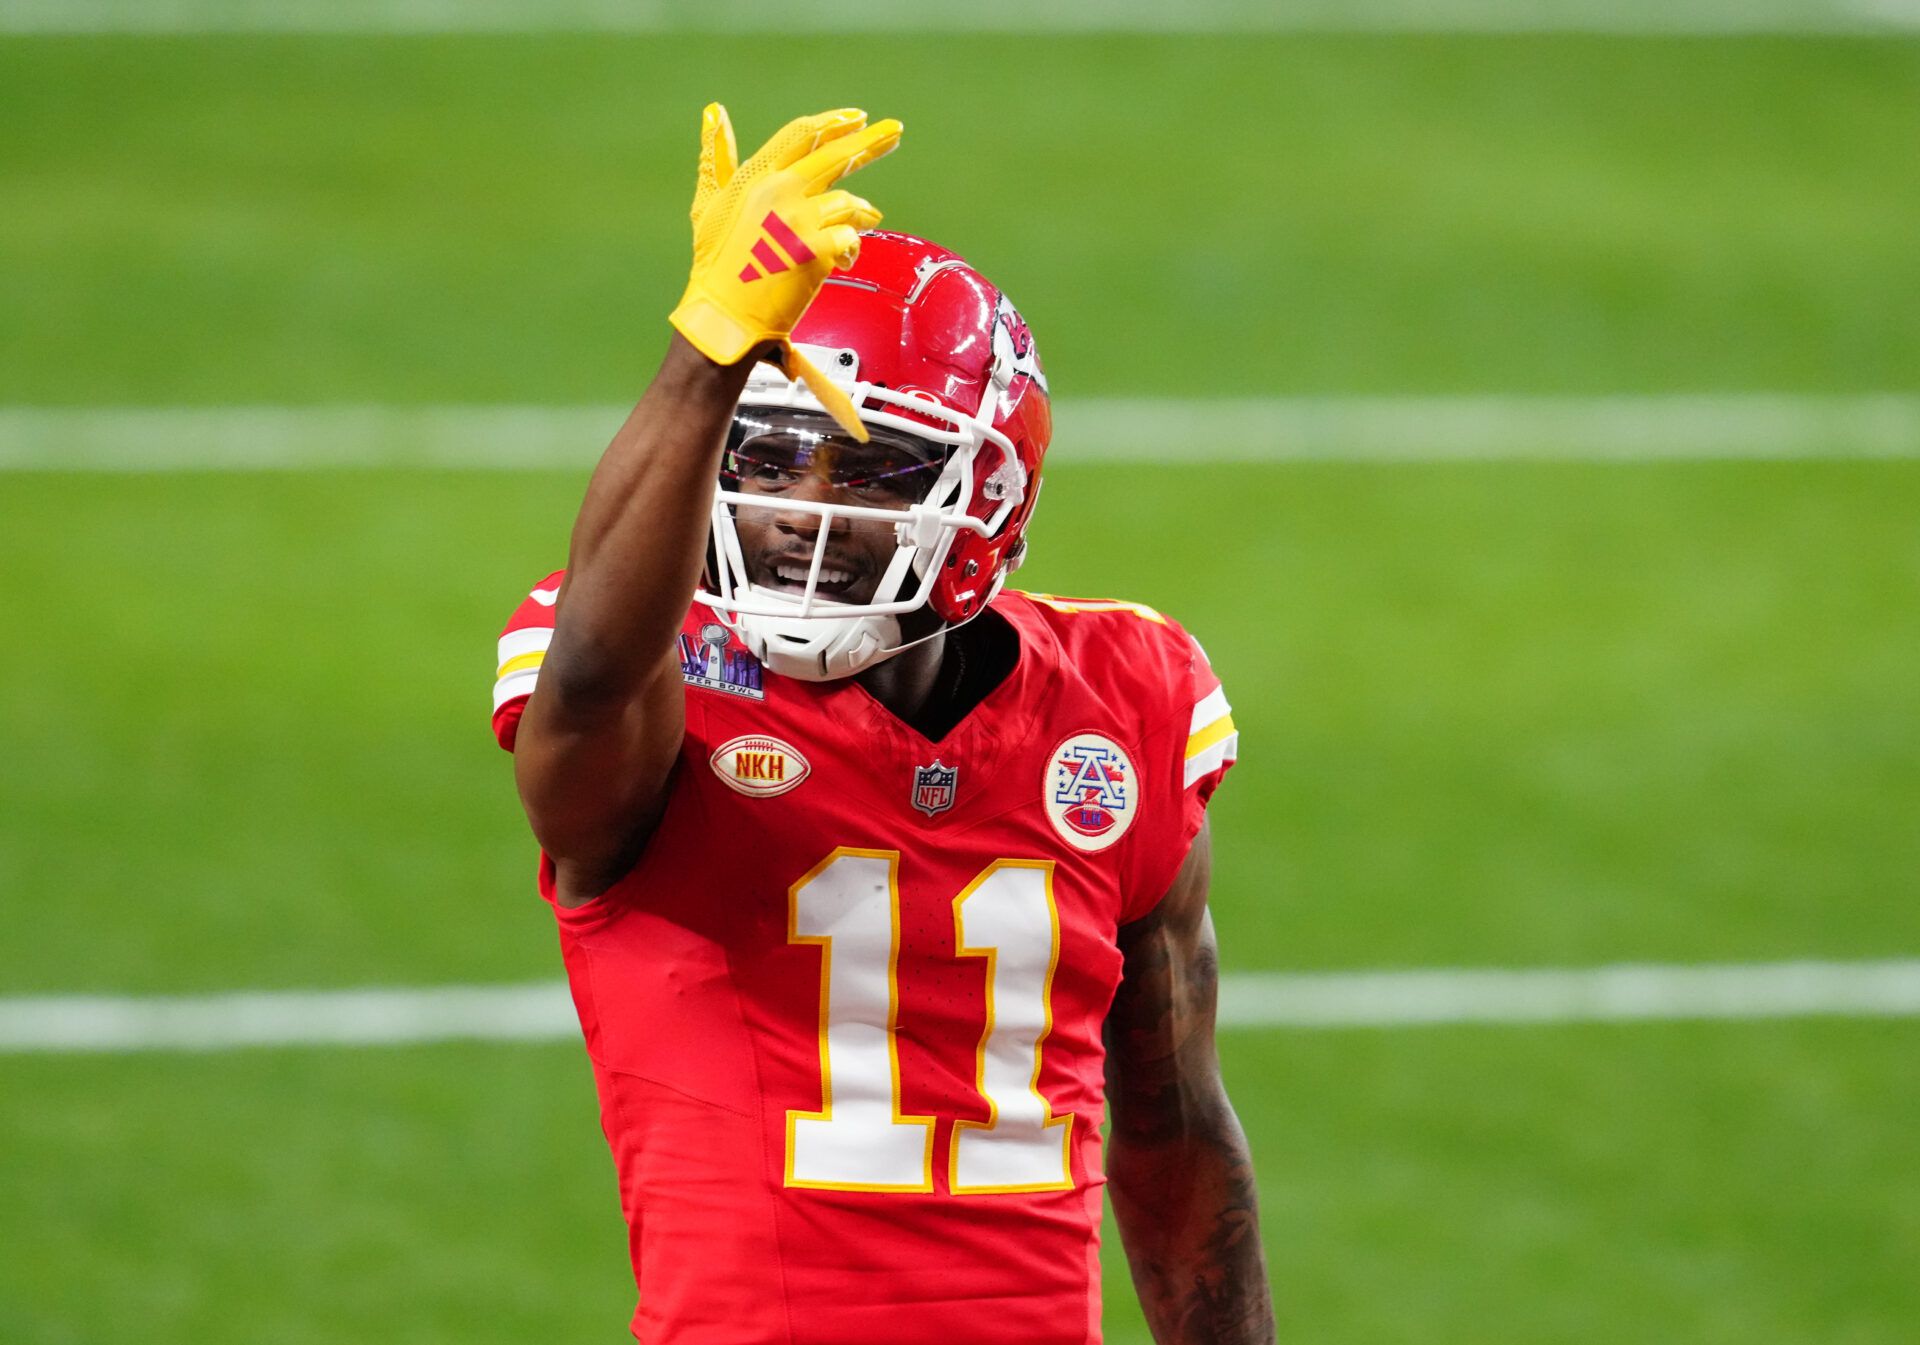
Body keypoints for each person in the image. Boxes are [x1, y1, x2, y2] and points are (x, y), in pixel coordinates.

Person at [490, 104, 1274, 1345]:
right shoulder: (661, 690)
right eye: (771, 453)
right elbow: (587, 686)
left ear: (990, 491)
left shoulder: (1125, 700)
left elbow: (1177, 1138)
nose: (802, 507)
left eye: (869, 469)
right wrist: (706, 359)